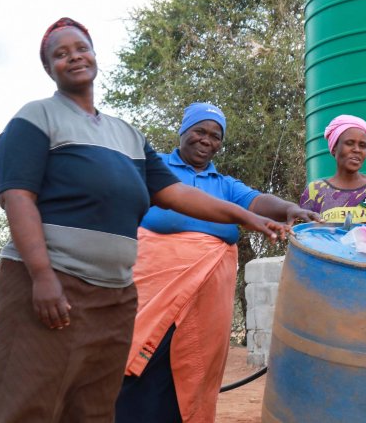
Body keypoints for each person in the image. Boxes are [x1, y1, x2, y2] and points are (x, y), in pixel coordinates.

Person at [0, 18, 288, 423]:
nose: (74, 57)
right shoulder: (37, 118)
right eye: (61, 53)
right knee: (25, 394)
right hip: (54, 282)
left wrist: (249, 219)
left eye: (81, 48)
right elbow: (17, 196)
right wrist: (41, 275)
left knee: (94, 402)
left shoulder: (127, 136)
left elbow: (177, 195)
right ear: (49, 68)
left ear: (94, 55)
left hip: (115, 293)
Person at [116, 102, 319, 423]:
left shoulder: (224, 184)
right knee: (142, 363)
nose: (207, 140)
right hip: (153, 293)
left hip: (208, 303)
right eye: (199, 131)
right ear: (183, 131)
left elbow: (257, 200)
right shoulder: (155, 171)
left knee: (193, 369)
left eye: (215, 136)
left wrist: (289, 209)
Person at [298, 114, 366, 223]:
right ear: (334, 148)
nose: (357, 150)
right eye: (349, 143)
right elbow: (304, 236)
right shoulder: (316, 191)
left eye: (362, 145)